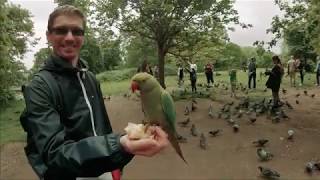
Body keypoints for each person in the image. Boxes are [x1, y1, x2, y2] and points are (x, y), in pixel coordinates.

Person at [20, 5, 169, 180]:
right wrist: (119, 145)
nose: (69, 37)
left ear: (83, 37)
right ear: (49, 36)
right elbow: (54, 153)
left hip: (103, 165)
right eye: (61, 30)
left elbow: (102, 126)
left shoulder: (90, 78)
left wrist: (115, 164)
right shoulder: (39, 87)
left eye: (77, 31)